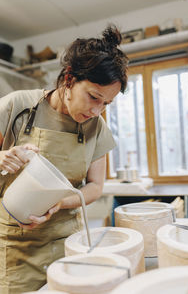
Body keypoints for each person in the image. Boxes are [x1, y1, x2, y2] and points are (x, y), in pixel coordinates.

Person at [0, 25, 128, 293]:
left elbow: (94, 186)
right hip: (15, 244)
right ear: (69, 79)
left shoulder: (97, 128)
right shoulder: (17, 105)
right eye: (93, 97)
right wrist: (3, 158)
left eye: (106, 103)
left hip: (68, 241)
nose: (97, 111)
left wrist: (58, 203)